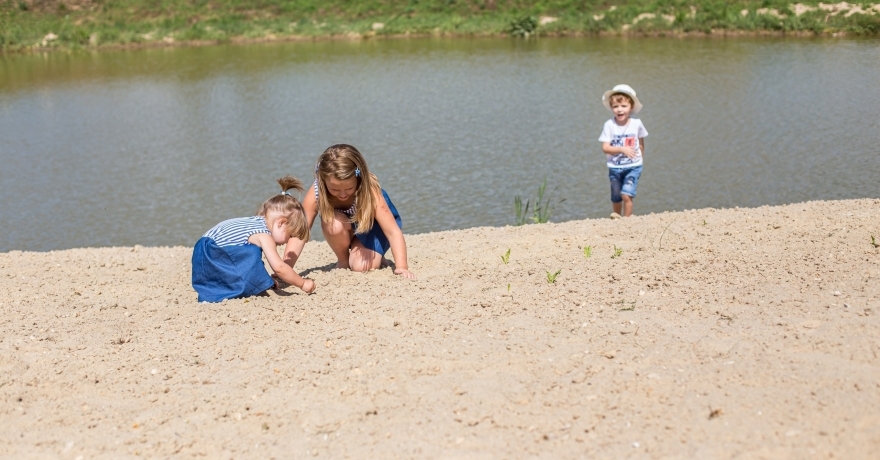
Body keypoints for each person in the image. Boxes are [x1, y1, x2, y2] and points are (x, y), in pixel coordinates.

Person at [284, 144, 416, 279]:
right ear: (323, 180)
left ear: (358, 178)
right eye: (335, 189)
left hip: (373, 228)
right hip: (344, 226)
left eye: (349, 188)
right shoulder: (318, 191)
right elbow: (301, 231)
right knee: (332, 223)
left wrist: (402, 267)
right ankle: (344, 260)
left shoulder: (368, 190)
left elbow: (393, 232)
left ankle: (374, 252)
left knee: (361, 267)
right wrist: (285, 268)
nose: (342, 194)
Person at [192, 176, 316, 302]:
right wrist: (302, 283)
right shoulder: (264, 235)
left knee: (250, 251)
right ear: (281, 223)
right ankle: (229, 291)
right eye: (289, 236)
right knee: (252, 252)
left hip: (202, 250)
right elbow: (279, 267)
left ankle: (217, 290)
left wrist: (264, 279)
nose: (287, 242)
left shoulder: (254, 223)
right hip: (214, 251)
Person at [598, 84, 649, 218]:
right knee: (616, 196)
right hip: (615, 167)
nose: (619, 110)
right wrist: (622, 149)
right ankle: (616, 217)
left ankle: (627, 221)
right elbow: (605, 148)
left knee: (627, 194)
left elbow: (641, 142)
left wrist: (640, 159)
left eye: (623, 106)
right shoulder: (609, 125)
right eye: (616, 106)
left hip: (633, 166)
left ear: (631, 107)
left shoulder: (637, 124)